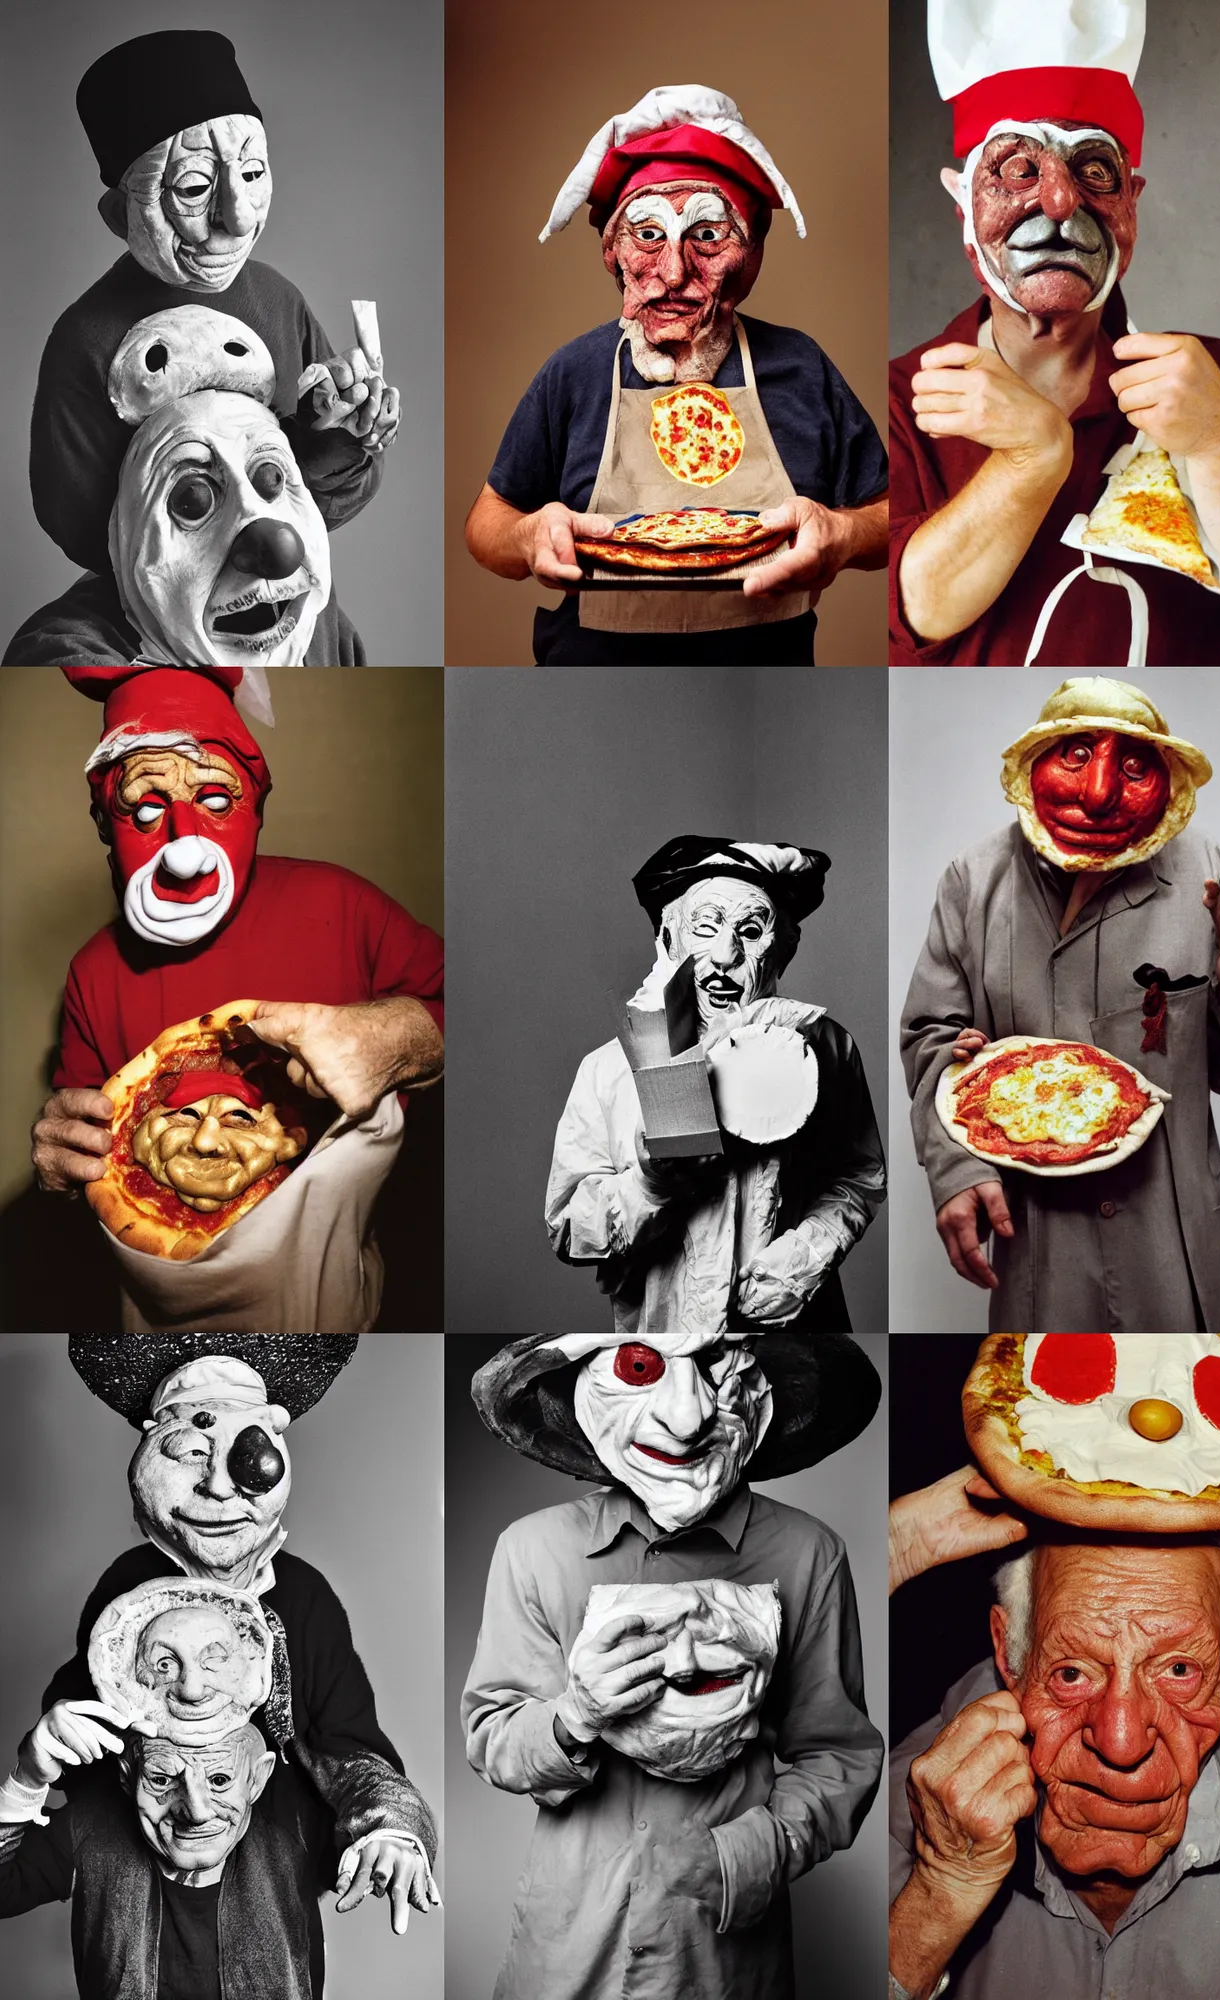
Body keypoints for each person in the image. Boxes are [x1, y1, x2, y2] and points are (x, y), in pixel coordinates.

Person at [889, 0, 1220, 664]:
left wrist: (1218, 447)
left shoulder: (1218, 381)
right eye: (1016, 170)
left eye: (1093, 170)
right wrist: (1029, 459)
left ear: (1131, 202)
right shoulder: (901, 396)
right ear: (962, 206)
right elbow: (905, 627)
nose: (1061, 202)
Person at [464, 1327, 885, 1999]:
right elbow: (492, 1739)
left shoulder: (807, 1553)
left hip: (720, 1958)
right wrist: (574, 1716)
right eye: (642, 1367)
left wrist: (745, 1857)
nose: (685, 1419)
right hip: (569, 1945)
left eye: (716, 1369)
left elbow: (837, 1753)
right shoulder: (533, 1549)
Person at [28, 667, 442, 1333]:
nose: (184, 852)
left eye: (217, 800)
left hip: (337, 1302)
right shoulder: (93, 972)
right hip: (159, 1320)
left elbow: (479, 1010)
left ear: (258, 808)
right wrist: (59, 1160)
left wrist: (401, 1034)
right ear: (104, 823)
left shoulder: (344, 904)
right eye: (145, 808)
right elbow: (86, 1141)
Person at [900, 676, 1220, 1331]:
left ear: (1168, 780)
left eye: (1134, 765)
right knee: (1041, 1411)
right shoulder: (971, 879)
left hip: (1172, 1232)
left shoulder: (1210, 872)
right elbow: (933, 1035)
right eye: (1075, 756)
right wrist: (955, 1165)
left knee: (1183, 1412)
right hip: (1039, 1233)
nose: (1099, 791)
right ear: (1032, 764)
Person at [28, 1340, 439, 1954]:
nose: (219, 1490)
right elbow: (86, 1725)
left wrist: (390, 1829)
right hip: (146, 1842)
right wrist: (51, 1744)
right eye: (191, 1454)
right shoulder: (125, 1585)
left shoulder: (301, 1596)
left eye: (248, 1460)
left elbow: (347, 1744)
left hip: (270, 1847)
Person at [13, 29, 398, 666]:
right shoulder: (83, 342)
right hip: (154, 612)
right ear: (119, 216)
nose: (239, 217)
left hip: (274, 599)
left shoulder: (280, 302)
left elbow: (309, 505)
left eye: (252, 174)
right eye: (193, 190)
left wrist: (342, 435)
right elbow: (80, 523)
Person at [465, 85, 887, 664]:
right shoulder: (574, 371)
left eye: (708, 236)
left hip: (764, 698)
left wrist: (841, 536)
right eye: (648, 233)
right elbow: (487, 524)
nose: (673, 270)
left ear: (753, 251)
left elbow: (893, 517)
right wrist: (527, 536)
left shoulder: (801, 366)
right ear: (612, 249)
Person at [887, 1493, 1220, 1999]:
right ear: (1012, 1657)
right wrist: (940, 1893)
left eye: (1179, 1670)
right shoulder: (897, 1805)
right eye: (1072, 1673)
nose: (1120, 1744)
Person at [547, 835, 885, 1332]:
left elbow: (857, 1179)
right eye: (706, 928)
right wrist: (649, 1184)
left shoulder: (827, 1049)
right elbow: (569, 1230)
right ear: (668, 940)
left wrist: (803, 1262)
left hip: (792, 1342)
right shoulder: (608, 1070)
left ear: (783, 950)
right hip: (664, 1348)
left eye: (750, 931)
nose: (726, 954)